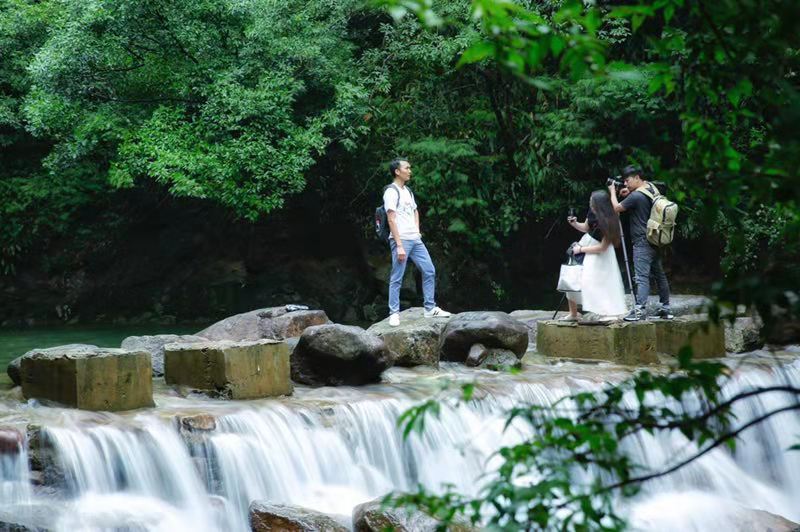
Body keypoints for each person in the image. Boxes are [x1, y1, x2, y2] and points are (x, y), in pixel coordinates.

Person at [384, 158, 451, 326]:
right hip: (401, 240)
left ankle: (430, 308)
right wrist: (399, 245)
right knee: (397, 276)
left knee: (429, 270)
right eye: (407, 168)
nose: (410, 171)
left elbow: (415, 210)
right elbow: (391, 219)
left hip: (415, 239)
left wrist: (417, 230)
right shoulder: (391, 192)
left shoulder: (408, 191)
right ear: (397, 171)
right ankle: (394, 313)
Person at [609, 165, 673, 321]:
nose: (625, 184)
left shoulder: (636, 196)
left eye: (627, 180)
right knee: (659, 275)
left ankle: (639, 310)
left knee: (641, 277)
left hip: (641, 241)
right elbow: (639, 197)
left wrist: (612, 192)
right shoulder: (651, 187)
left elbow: (617, 207)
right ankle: (666, 309)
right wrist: (629, 192)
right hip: (655, 238)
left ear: (637, 177)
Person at [562, 190, 628, 321]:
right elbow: (586, 228)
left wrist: (581, 249)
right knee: (572, 276)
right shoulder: (592, 212)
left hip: (599, 253)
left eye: (592, 201)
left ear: (600, 204)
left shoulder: (610, 219)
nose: (590, 203)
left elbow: (602, 248)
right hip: (585, 245)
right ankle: (573, 313)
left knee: (594, 281)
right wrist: (574, 223)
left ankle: (606, 312)